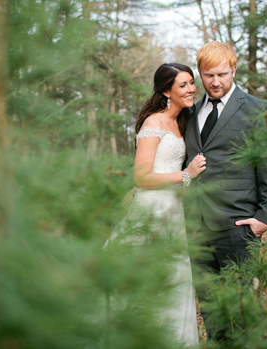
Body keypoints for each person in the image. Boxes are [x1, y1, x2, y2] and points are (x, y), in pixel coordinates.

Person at [183, 42, 267, 341]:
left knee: (241, 311)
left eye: (222, 74)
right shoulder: (190, 112)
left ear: (234, 70)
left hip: (238, 227)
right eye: (208, 75)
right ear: (200, 74)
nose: (215, 82)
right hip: (196, 228)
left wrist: (265, 217)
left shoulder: (257, 110)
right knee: (211, 310)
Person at [106, 63, 205, 347]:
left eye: (191, 82)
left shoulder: (182, 120)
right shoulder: (154, 123)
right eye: (183, 85)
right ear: (166, 91)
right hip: (151, 210)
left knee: (174, 279)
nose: (190, 89)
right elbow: (141, 177)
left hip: (173, 211)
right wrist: (186, 174)